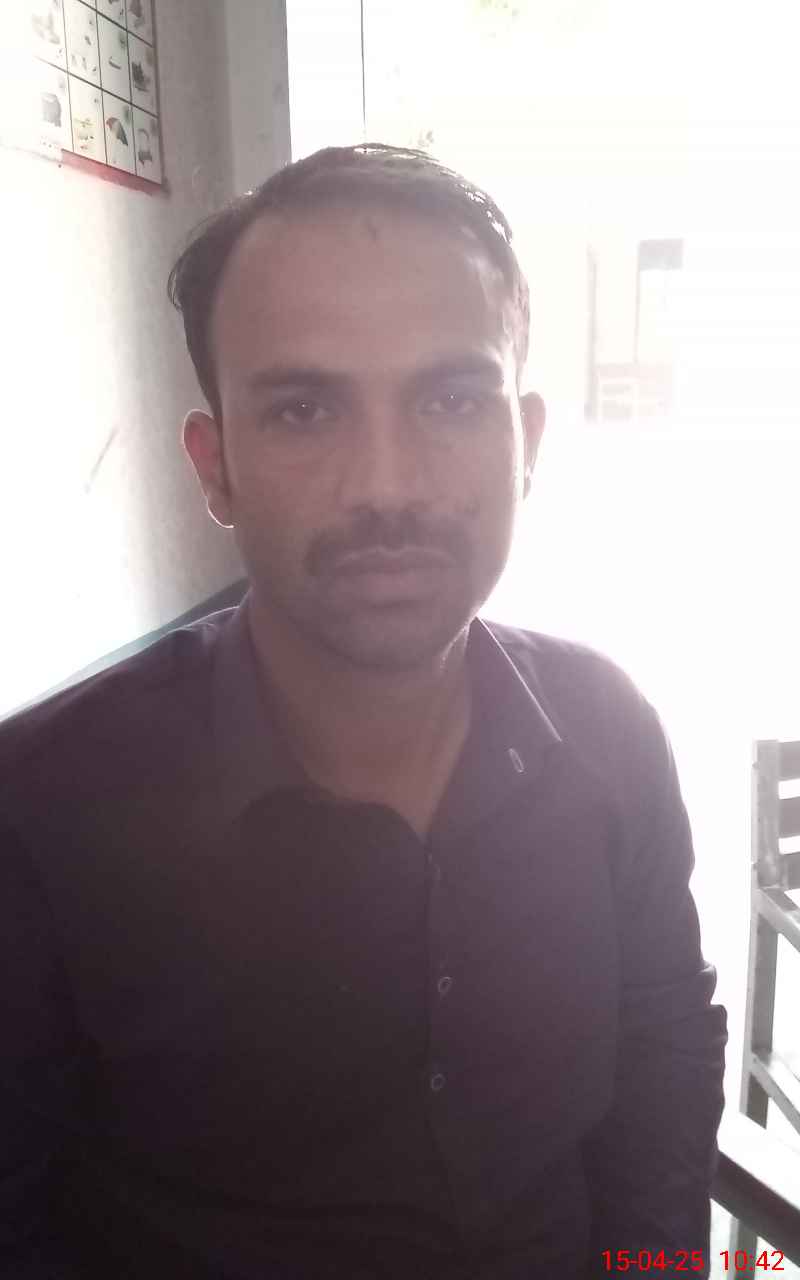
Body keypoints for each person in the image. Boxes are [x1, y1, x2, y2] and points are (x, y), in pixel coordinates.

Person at [0, 144, 726, 1279]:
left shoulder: (610, 734)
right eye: (303, 410)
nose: (386, 483)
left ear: (526, 442)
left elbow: (663, 1076)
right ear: (216, 466)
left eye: (451, 400)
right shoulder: (43, 808)